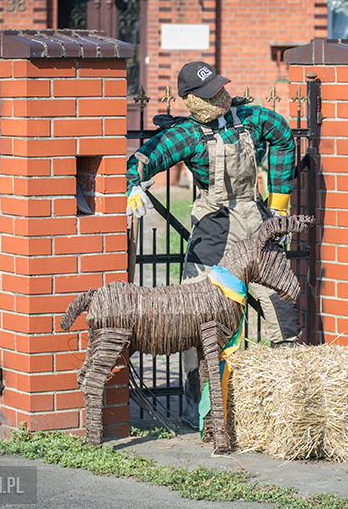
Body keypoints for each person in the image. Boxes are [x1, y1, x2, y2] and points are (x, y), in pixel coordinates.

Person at [125, 61, 301, 426]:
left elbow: (284, 134)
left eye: (221, 89)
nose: (220, 97)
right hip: (213, 229)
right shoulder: (186, 134)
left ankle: (290, 402)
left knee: (281, 305)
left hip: (257, 221)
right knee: (196, 314)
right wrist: (132, 185)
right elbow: (146, 157)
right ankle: (200, 409)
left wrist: (280, 201)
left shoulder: (251, 118)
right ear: (191, 102)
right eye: (210, 95)